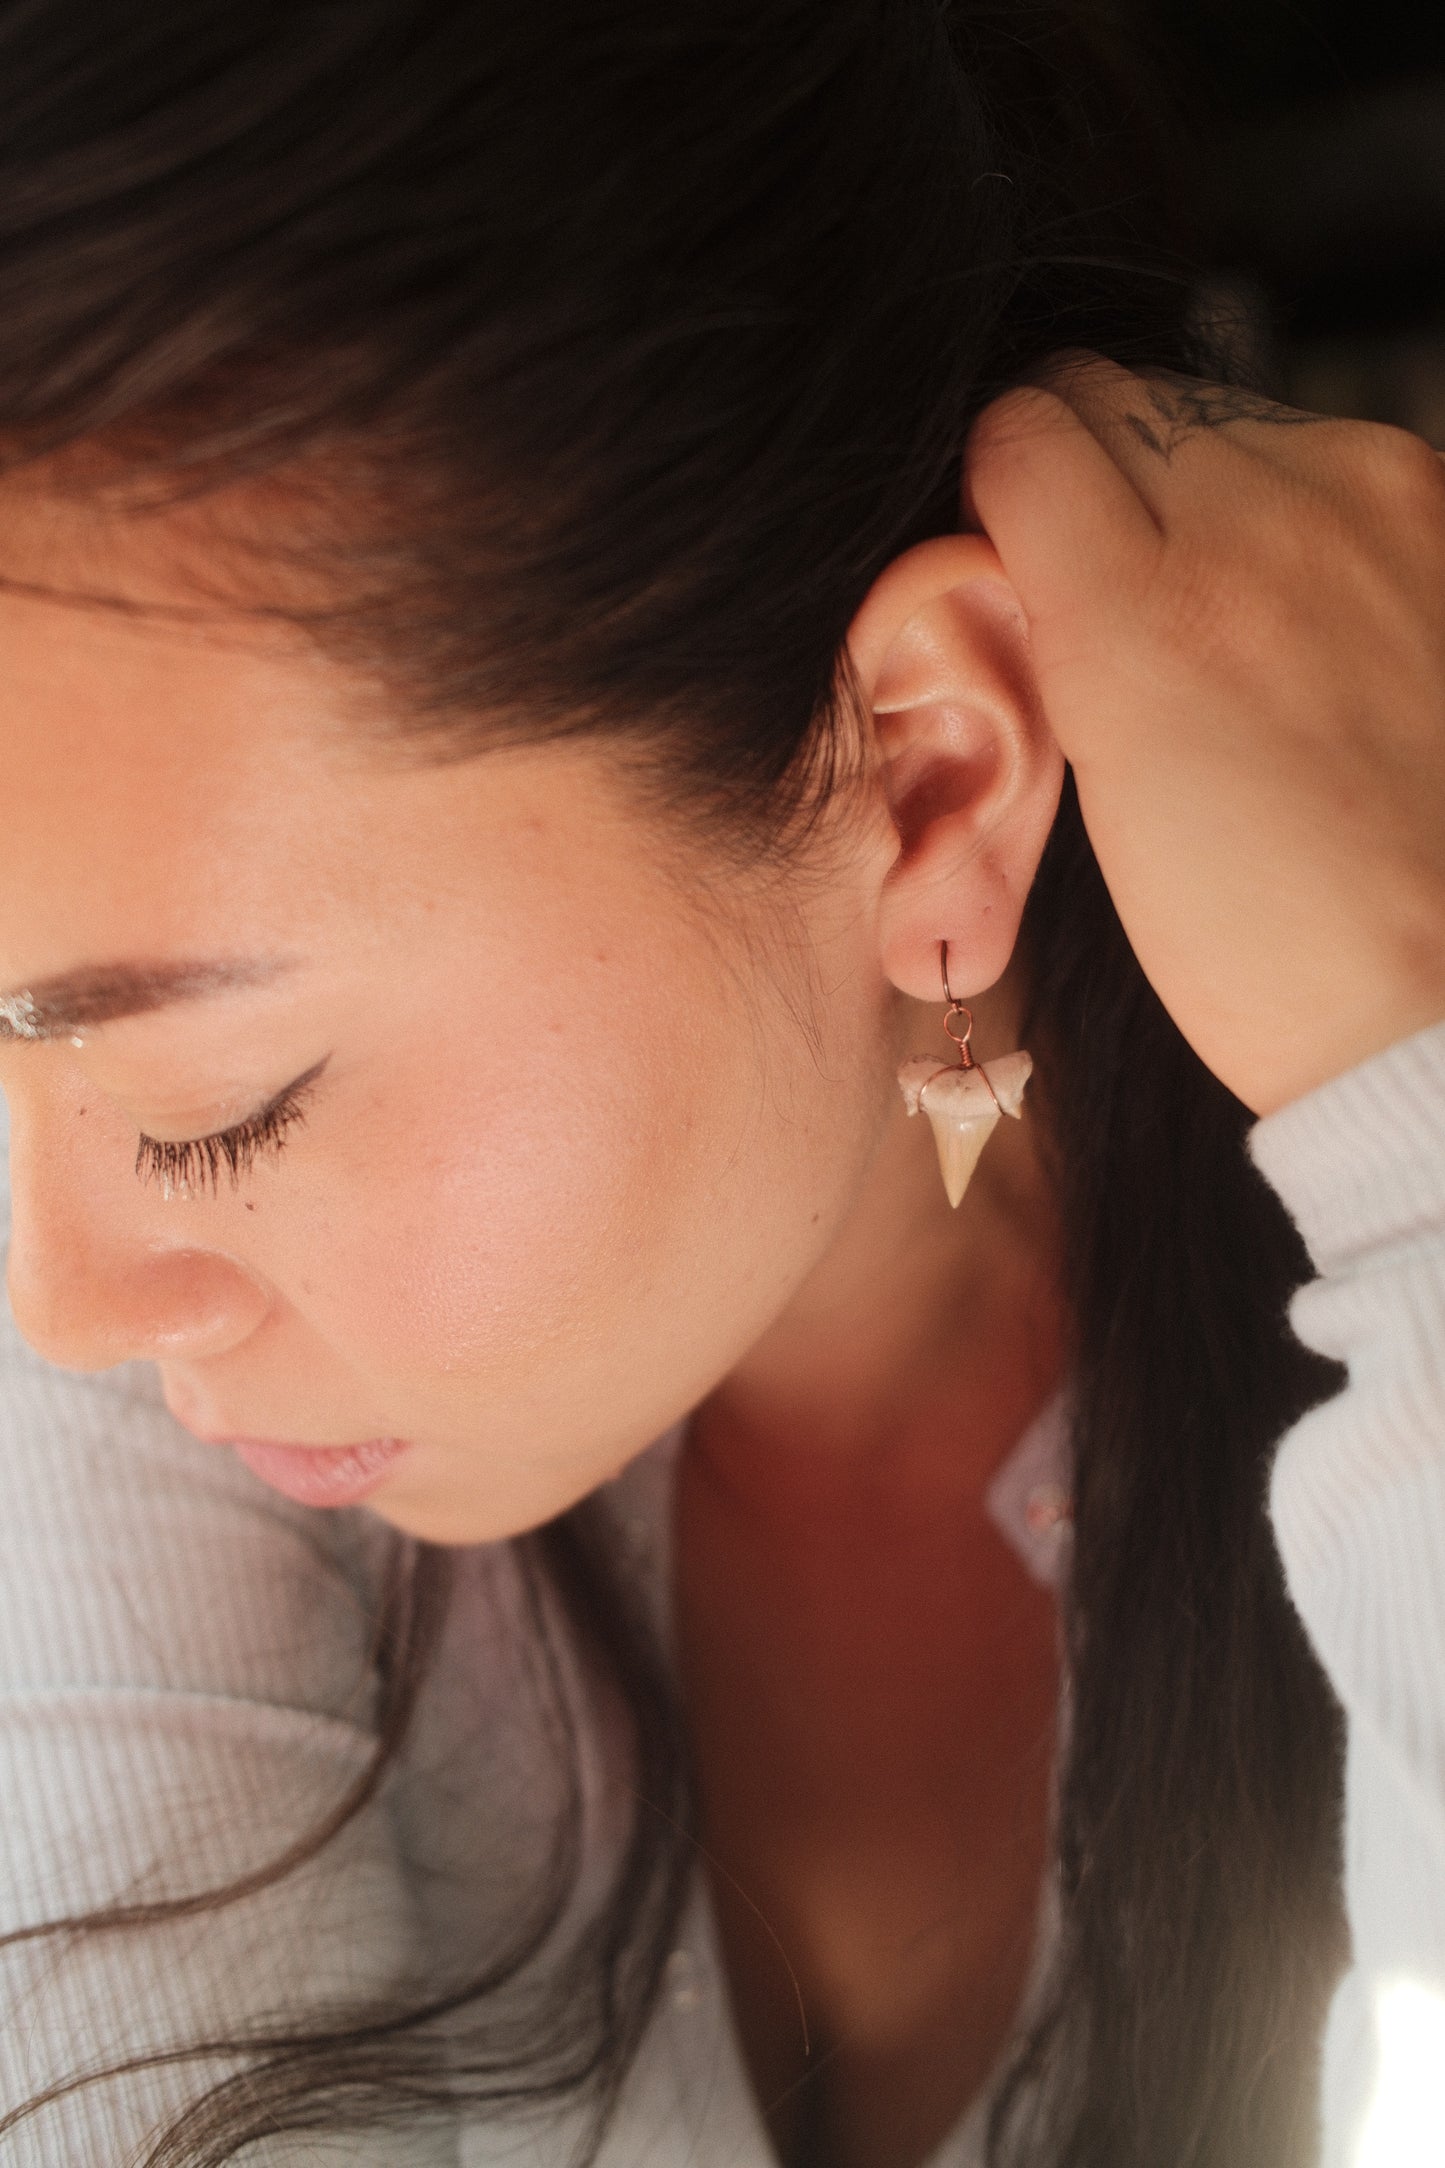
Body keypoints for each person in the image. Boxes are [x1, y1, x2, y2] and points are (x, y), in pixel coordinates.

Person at [0, 3, 1441, 2165]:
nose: (67, 1303)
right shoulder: (154, 1376)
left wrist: (1409, 1091)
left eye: (222, 1103)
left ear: (927, 777)